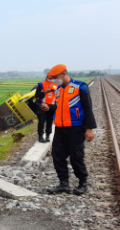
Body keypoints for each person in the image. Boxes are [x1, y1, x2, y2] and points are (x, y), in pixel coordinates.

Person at [44, 64, 96, 195]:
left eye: (55, 77)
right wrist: (48, 107)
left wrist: (89, 128)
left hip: (76, 128)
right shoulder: (57, 90)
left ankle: (82, 183)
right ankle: (64, 184)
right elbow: (59, 108)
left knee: (76, 157)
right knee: (57, 156)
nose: (54, 81)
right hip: (60, 129)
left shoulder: (80, 87)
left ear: (63, 74)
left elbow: (88, 108)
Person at [34, 76, 58, 143]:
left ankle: (48, 136)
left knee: (49, 121)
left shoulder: (56, 85)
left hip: (52, 106)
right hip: (43, 105)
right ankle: (40, 137)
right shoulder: (41, 84)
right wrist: (45, 92)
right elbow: (36, 95)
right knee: (41, 121)